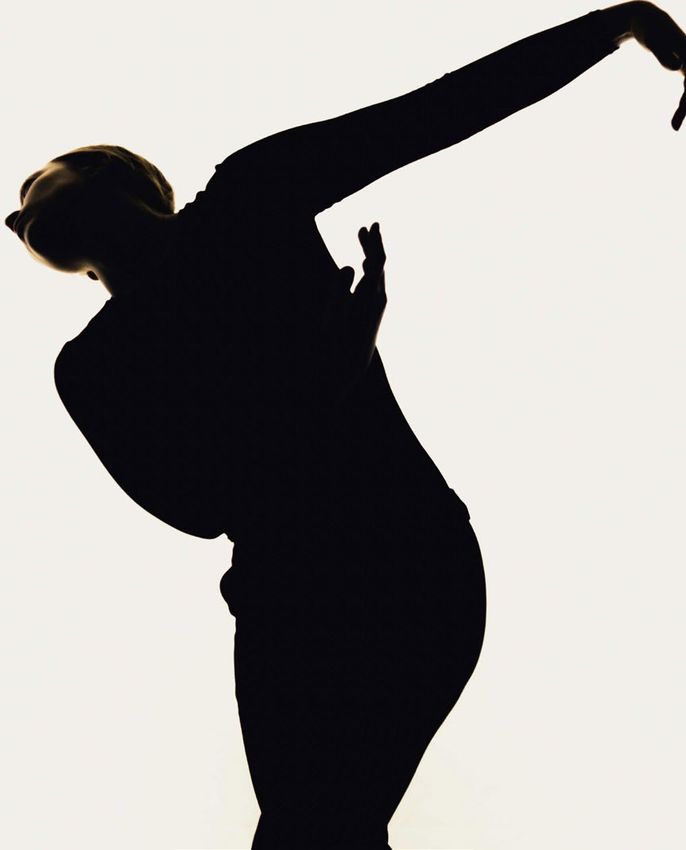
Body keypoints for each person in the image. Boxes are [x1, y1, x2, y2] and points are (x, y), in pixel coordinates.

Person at [6, 3, 686, 848]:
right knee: (320, 831)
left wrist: (616, 26)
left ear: (102, 169)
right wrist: (339, 356)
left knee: (313, 828)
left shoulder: (250, 194)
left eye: (30, 188)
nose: (14, 218)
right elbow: (197, 508)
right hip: (284, 598)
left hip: (404, 556)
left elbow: (436, 111)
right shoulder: (88, 368)